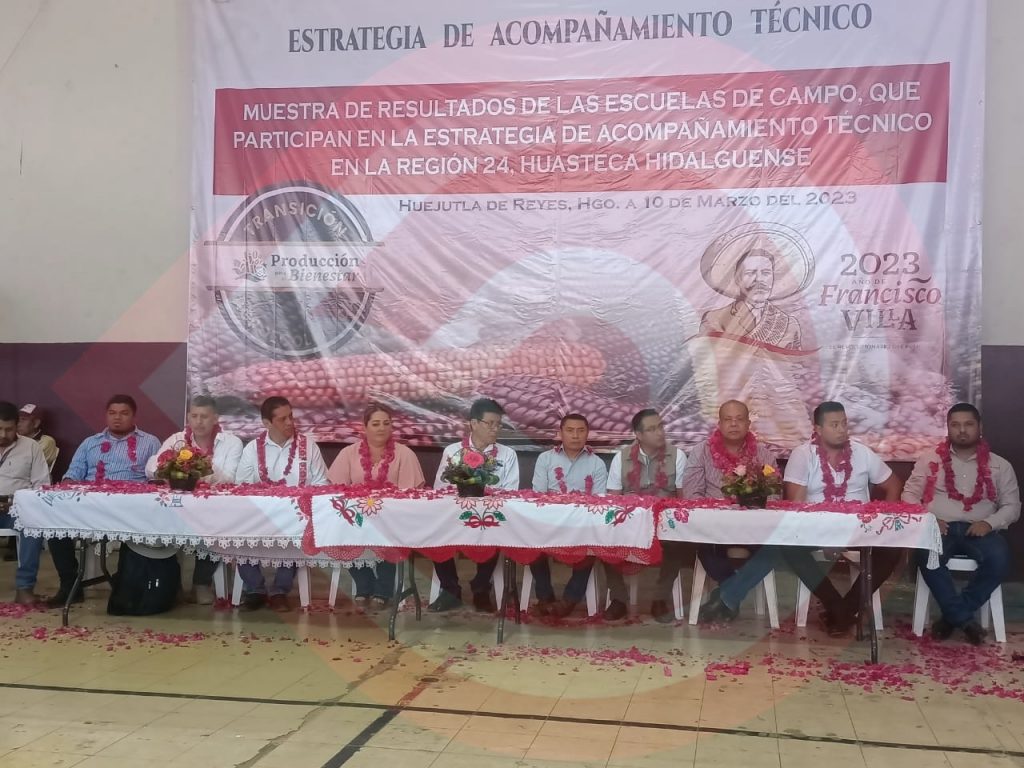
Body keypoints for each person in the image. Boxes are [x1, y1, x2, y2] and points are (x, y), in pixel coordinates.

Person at [782, 401, 903, 636]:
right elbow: (795, 505)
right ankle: (838, 608)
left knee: (892, 550)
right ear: (818, 429)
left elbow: (894, 485)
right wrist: (825, 534)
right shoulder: (803, 455)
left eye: (844, 424)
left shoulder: (861, 453)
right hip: (815, 528)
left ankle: (842, 611)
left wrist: (884, 520)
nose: (841, 430)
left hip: (859, 529)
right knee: (789, 547)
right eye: (834, 425)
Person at [903, 403, 1019, 645]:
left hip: (980, 530)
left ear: (980, 427)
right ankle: (965, 620)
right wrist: (929, 520)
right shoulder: (929, 460)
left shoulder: (1000, 465)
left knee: (999, 557)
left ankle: (952, 617)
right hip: (939, 528)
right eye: (955, 425)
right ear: (948, 428)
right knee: (927, 555)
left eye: (968, 424)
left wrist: (989, 523)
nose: (962, 430)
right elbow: (909, 495)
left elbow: (1012, 506)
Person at [48, 395, 162, 608]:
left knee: (139, 529)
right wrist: (68, 485)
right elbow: (73, 473)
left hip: (131, 509)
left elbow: (156, 478)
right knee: (54, 527)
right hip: (90, 506)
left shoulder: (150, 442)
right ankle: (70, 585)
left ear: (134, 416)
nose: (117, 418)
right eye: (112, 413)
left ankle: (124, 585)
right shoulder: (90, 443)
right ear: (106, 415)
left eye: (124, 413)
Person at [683, 401, 781, 623]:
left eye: (739, 419)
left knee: (774, 551)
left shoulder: (764, 455)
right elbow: (691, 496)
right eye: (728, 419)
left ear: (748, 424)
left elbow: (774, 497)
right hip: (714, 529)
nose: (734, 424)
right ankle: (732, 595)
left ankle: (725, 597)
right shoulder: (701, 452)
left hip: (755, 529)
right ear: (719, 424)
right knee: (706, 549)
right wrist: (721, 514)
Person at [146, 395, 244, 604]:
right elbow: (152, 467)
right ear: (188, 418)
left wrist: (200, 465)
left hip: (214, 508)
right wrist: (171, 466)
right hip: (177, 507)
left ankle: (202, 583)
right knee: (159, 522)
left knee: (214, 524)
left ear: (215, 418)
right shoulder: (177, 439)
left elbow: (230, 478)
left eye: (204, 417)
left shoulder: (231, 443)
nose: (199, 422)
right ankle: (173, 584)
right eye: (194, 416)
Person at [235, 396, 329, 611]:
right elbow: (242, 486)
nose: (290, 423)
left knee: (298, 529)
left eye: (291, 417)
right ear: (267, 423)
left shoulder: (308, 446)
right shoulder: (252, 448)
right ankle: (255, 589)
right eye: (282, 419)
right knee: (237, 529)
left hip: (296, 516)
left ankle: (279, 591)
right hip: (259, 515)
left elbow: (322, 483)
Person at [328, 403, 425, 609]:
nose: (382, 428)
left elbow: (410, 494)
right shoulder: (348, 453)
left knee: (388, 532)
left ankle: (383, 590)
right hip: (356, 518)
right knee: (338, 530)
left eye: (386, 423)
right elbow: (335, 489)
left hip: (392, 518)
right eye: (376, 424)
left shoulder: (404, 454)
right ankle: (364, 584)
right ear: (364, 427)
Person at [430, 398, 520, 613]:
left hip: (490, 516)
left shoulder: (508, 455)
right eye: (490, 423)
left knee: (494, 528)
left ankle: (481, 588)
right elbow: (441, 488)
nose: (495, 429)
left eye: (499, 424)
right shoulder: (453, 452)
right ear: (474, 423)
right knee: (434, 533)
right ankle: (450, 589)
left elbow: (510, 492)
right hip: (455, 515)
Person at [606, 408, 687, 622]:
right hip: (629, 523)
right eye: (652, 429)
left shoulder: (677, 456)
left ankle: (660, 598)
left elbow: (682, 500)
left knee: (678, 542)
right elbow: (613, 500)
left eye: (660, 426)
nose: (659, 432)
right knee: (604, 539)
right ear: (639, 435)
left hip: (664, 525)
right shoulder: (621, 458)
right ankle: (618, 599)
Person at [529, 413, 609, 617]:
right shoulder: (545, 459)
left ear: (587, 434)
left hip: (582, 524)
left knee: (591, 543)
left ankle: (570, 600)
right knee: (530, 541)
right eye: (570, 430)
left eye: (581, 431)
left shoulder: (597, 463)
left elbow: (598, 501)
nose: (575, 435)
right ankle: (545, 596)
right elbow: (539, 496)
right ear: (560, 433)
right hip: (548, 521)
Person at [0, 401, 51, 603]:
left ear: (17, 426)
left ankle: (24, 588)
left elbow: (42, 486)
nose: (3, 434)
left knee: (32, 524)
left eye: (9, 429)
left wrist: (16, 501)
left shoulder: (31, 447)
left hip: (16, 508)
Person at [700, 248, 802, 350]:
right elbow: (707, 357)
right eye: (750, 273)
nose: (759, 279)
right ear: (738, 279)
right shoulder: (715, 319)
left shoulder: (789, 325)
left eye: (766, 273)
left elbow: (795, 359)